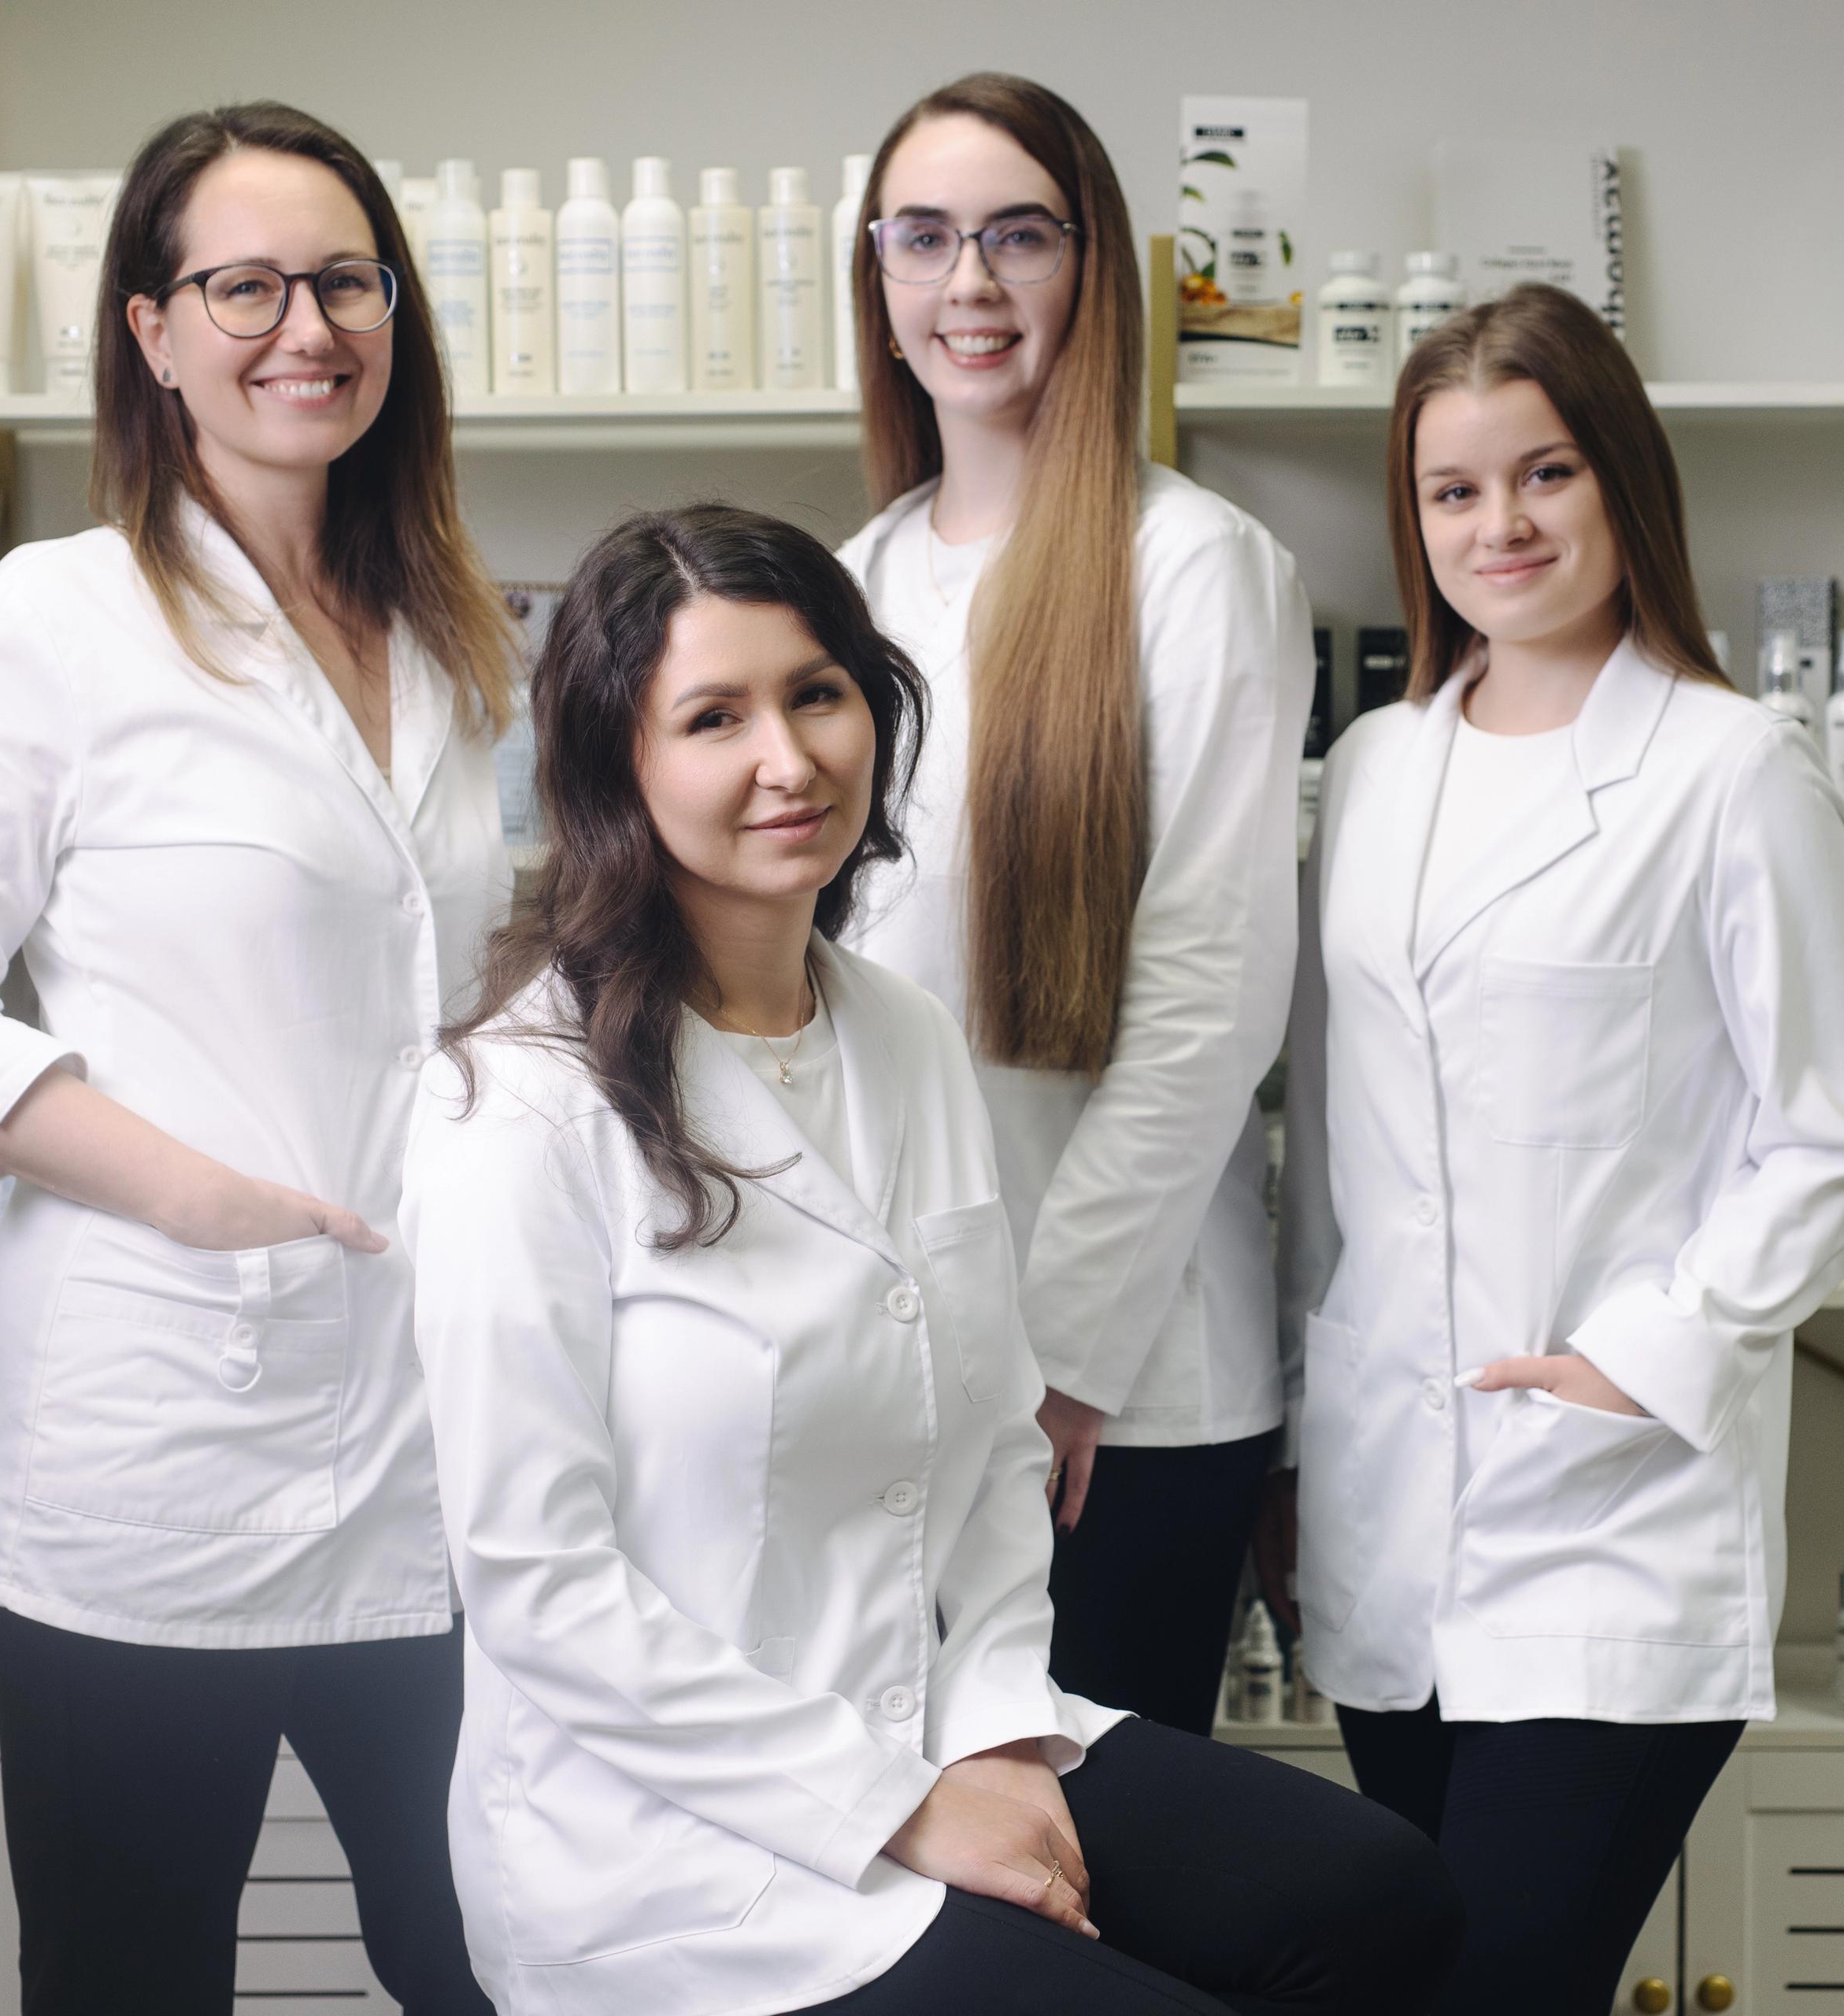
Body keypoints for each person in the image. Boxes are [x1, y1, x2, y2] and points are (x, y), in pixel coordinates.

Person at [401, 502, 1460, 2016]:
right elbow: (539, 1590)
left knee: (1381, 1898)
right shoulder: (521, 1105)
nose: (790, 759)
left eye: (817, 693)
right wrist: (896, 1806)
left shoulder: (896, 1033)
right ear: (614, 768)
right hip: (675, 1843)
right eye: (714, 717)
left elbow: (987, 1457)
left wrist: (995, 1734)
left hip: (931, 1716)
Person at [0, 102, 511, 2015]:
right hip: (150, 1462)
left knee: (490, 1958)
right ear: (149, 330)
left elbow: (435, 982)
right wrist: (189, 1188)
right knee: (134, 1983)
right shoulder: (47, 622)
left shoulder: (440, 630)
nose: (307, 326)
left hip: (429, 1451)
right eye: (244, 284)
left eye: (347, 279)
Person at [1275, 282, 1844, 2016]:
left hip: (1609, 1505)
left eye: (1541, 474)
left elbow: (1820, 1127)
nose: (1496, 525)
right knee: (1428, 1968)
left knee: (1501, 1982)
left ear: (1619, 485)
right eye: (1452, 490)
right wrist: (1306, 1440)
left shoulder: (1730, 768)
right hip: (1390, 1495)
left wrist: (1633, 1354)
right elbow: (1332, 1126)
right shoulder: (1371, 764)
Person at [835, 74, 1314, 1735]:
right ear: (878, 281)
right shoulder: (854, 576)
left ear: (1091, 271)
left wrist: (1047, 1366)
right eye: (925, 238)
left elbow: (1207, 1001)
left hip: (1110, 1399)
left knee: (1096, 1907)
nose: (968, 281)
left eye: (1017, 235)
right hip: (900, 1382)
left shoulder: (1194, 568)